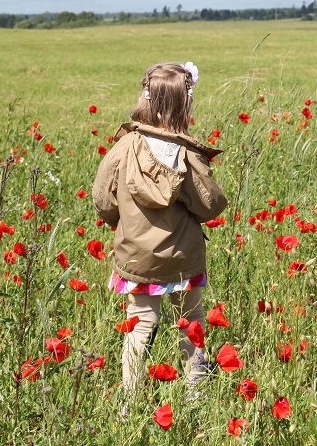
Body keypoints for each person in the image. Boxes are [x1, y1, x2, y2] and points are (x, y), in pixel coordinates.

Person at [92, 62, 229, 391]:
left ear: (146, 98)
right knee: (190, 323)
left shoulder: (123, 149)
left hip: (137, 257)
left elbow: (102, 199)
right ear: (185, 103)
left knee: (139, 326)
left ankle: (130, 404)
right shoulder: (188, 155)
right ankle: (195, 395)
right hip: (183, 257)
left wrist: (122, 223)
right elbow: (209, 205)